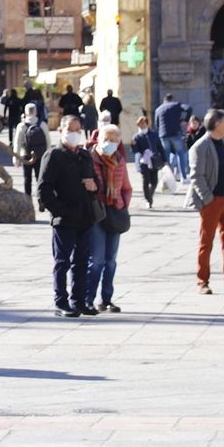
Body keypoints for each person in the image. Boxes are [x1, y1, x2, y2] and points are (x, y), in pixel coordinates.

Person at [38, 118, 100, 317]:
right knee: (62, 262)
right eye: (70, 129)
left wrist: (94, 186)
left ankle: (79, 301)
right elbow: (43, 189)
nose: (74, 133)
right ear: (61, 130)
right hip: (64, 219)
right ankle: (61, 302)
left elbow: (95, 181)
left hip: (85, 217)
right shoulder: (54, 155)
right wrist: (59, 210)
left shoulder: (84, 155)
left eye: (77, 129)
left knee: (81, 262)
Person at [187, 109, 224, 295]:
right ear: (216, 125)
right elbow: (196, 176)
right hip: (213, 201)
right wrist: (208, 199)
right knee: (206, 242)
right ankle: (202, 281)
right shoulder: (200, 147)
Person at [87, 123, 133, 313]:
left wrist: (123, 205)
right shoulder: (89, 159)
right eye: (107, 139)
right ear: (98, 139)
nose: (110, 143)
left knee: (111, 261)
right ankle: (88, 298)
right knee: (96, 260)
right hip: (97, 214)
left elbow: (126, 188)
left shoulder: (119, 160)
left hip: (115, 213)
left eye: (114, 140)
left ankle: (106, 298)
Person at [13, 103, 49, 198]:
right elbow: (48, 141)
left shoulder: (21, 126)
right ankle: (41, 198)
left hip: (26, 155)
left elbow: (17, 143)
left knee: (27, 178)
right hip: (40, 155)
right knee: (40, 178)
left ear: (25, 112)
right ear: (36, 112)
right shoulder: (42, 124)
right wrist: (48, 156)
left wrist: (16, 158)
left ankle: (28, 198)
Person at [155, 93, 190, 183]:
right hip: (175, 133)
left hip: (163, 134)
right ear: (172, 99)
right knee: (180, 154)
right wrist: (185, 120)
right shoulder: (176, 105)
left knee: (166, 156)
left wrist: (160, 133)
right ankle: (183, 177)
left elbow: (157, 123)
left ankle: (167, 178)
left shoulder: (158, 109)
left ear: (164, 100)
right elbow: (189, 108)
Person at [131, 114, 162, 208]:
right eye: (140, 125)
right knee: (145, 181)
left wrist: (164, 159)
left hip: (153, 161)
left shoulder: (153, 134)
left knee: (154, 181)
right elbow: (135, 151)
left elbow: (160, 147)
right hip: (143, 162)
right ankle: (148, 200)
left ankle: (150, 195)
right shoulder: (136, 137)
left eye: (143, 124)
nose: (142, 126)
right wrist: (133, 145)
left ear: (147, 124)